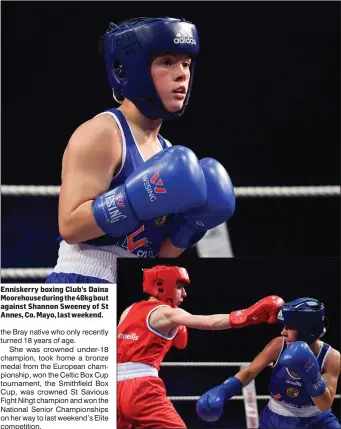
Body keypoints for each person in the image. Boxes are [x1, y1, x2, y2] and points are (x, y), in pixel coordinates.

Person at [45, 17, 235, 284]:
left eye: (186, 63)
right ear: (131, 69)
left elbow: (158, 255)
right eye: (167, 62)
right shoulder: (103, 133)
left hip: (134, 282)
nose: (182, 73)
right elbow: (70, 227)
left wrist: (190, 228)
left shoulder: (166, 152)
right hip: (81, 279)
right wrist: (132, 200)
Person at [117, 264, 284, 428]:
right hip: (141, 388)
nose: (184, 293)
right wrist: (248, 315)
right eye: (179, 287)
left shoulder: (129, 310)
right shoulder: (168, 313)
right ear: (161, 285)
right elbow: (210, 322)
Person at [196, 297, 341, 428]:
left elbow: (324, 405)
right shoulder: (278, 346)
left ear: (307, 330)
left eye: (289, 327)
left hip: (316, 421)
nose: (283, 332)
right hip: (275, 420)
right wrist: (224, 390)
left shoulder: (330, 357)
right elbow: (249, 372)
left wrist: (312, 376)